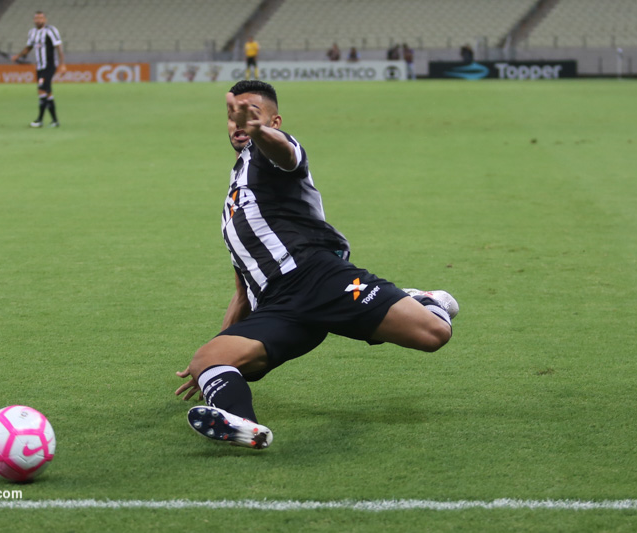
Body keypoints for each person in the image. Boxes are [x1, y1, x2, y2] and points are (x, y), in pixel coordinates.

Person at [174, 81, 458, 450]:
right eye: (234, 116)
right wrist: (214, 358)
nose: (240, 123)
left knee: (433, 335)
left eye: (252, 115)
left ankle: (423, 299)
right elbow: (242, 287)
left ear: (273, 120)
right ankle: (245, 426)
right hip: (277, 307)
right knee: (208, 358)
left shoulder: (273, 156)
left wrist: (261, 132)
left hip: (320, 278)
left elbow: (287, 154)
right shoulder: (234, 199)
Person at [11, 11, 66, 128]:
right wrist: (18, 56)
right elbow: (28, 47)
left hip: (49, 66)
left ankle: (39, 120)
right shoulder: (32, 32)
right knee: (48, 93)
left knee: (41, 90)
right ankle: (55, 121)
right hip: (40, 67)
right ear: (33, 20)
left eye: (41, 18)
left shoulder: (51, 30)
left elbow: (58, 47)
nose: (38, 20)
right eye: (36, 18)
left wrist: (62, 64)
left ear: (45, 19)